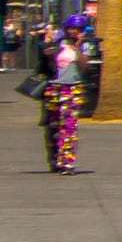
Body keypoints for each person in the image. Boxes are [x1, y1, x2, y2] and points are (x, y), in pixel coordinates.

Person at [40, 25, 82, 173]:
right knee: (53, 126)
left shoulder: (82, 46)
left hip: (72, 89)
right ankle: (54, 159)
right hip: (53, 88)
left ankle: (67, 162)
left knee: (69, 126)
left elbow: (84, 67)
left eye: (78, 30)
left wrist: (78, 47)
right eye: (71, 30)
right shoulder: (55, 45)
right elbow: (43, 63)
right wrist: (48, 44)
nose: (74, 32)